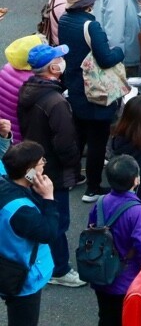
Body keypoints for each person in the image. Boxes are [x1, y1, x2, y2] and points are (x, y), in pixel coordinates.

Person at [15, 42, 80, 288]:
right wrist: (72, 164)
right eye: (59, 58)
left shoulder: (28, 89)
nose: (63, 61)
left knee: (41, 211)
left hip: (35, 163)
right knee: (57, 220)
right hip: (52, 169)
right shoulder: (55, 101)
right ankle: (60, 268)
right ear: (53, 67)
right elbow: (65, 142)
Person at [0, 141, 61, 326]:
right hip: (24, 275)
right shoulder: (22, 211)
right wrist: (49, 197)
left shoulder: (5, 182)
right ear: (29, 171)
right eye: (41, 161)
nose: (44, 163)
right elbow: (49, 232)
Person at [88, 154, 141, 326]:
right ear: (136, 180)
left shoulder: (100, 202)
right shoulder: (138, 212)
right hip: (126, 279)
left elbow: (91, 230)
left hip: (101, 273)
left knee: (106, 316)